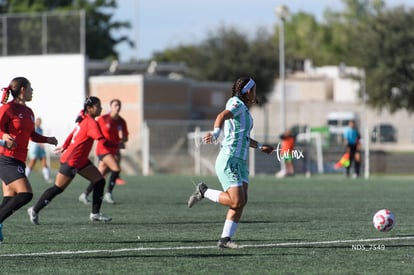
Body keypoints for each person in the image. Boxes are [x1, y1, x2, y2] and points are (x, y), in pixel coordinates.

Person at [187, 77, 274, 249]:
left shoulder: (244, 110)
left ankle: (225, 239)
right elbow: (221, 116)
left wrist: (260, 146)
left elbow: (243, 137)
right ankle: (203, 191)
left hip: (240, 161)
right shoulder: (237, 104)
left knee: (242, 201)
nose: (255, 93)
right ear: (248, 92)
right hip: (229, 159)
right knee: (235, 201)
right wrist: (216, 132)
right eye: (254, 90)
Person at [27, 96, 117, 225]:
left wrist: (65, 145)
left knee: (99, 181)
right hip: (72, 160)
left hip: (80, 160)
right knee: (58, 188)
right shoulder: (91, 122)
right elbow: (101, 139)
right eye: (98, 106)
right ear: (90, 109)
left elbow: (72, 133)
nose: (101, 108)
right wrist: (117, 145)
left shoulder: (84, 119)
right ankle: (34, 209)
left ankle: (95, 214)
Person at [0, 77, 58, 242]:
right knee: (26, 194)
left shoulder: (29, 112)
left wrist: (47, 139)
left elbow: (31, 135)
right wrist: (4, 135)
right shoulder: (7, 108)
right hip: (5, 158)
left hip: (19, 159)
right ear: (23, 90)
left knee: (10, 198)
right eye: (30, 87)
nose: (33, 91)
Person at [78, 99, 128, 205]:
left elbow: (125, 137)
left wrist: (123, 138)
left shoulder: (121, 122)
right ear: (111, 107)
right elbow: (94, 130)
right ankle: (108, 194)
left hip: (113, 150)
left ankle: (85, 194)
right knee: (116, 169)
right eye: (115, 105)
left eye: (119, 105)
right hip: (103, 149)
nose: (117, 107)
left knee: (99, 175)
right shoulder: (103, 119)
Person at [25, 117, 53, 183]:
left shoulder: (41, 129)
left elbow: (41, 137)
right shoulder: (33, 129)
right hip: (34, 148)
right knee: (32, 163)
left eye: (40, 121)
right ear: (35, 122)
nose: (39, 123)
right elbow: (34, 138)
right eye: (38, 121)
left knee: (44, 162)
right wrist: (40, 143)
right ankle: (25, 177)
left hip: (40, 149)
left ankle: (47, 178)